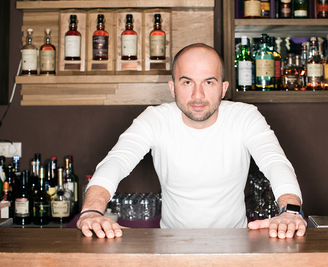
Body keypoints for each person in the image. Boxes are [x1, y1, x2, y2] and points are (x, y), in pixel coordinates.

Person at [77, 43, 307, 239]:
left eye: (209, 82)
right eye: (187, 82)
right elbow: (116, 161)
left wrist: (292, 211)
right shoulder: (156, 119)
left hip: (234, 246)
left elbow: (275, 162)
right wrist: (91, 212)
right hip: (172, 247)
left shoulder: (244, 116)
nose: (198, 95)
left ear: (223, 88)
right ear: (173, 88)